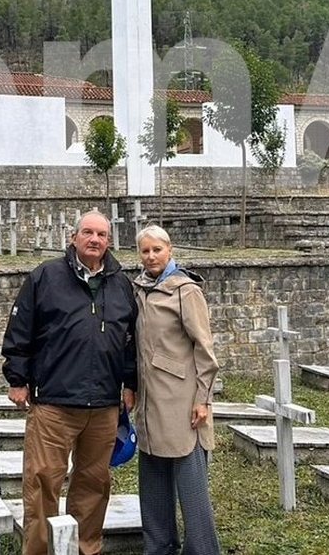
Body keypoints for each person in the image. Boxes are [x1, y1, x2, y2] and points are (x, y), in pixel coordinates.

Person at [1, 210, 137, 555]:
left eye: (102, 235)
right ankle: (41, 551)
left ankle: (85, 548)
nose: (95, 240)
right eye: (88, 233)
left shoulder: (120, 284)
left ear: (109, 241)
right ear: (73, 237)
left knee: (94, 484)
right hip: (54, 404)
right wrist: (18, 379)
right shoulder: (45, 277)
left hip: (104, 406)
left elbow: (132, 341)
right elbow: (20, 332)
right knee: (43, 482)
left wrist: (129, 384)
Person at [132, 225, 221, 555]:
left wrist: (203, 400)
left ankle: (202, 550)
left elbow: (205, 350)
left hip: (182, 400)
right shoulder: (140, 288)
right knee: (153, 480)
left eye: (157, 249)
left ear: (169, 251)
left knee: (191, 484)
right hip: (149, 399)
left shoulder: (185, 290)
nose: (151, 256)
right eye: (145, 251)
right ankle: (159, 547)